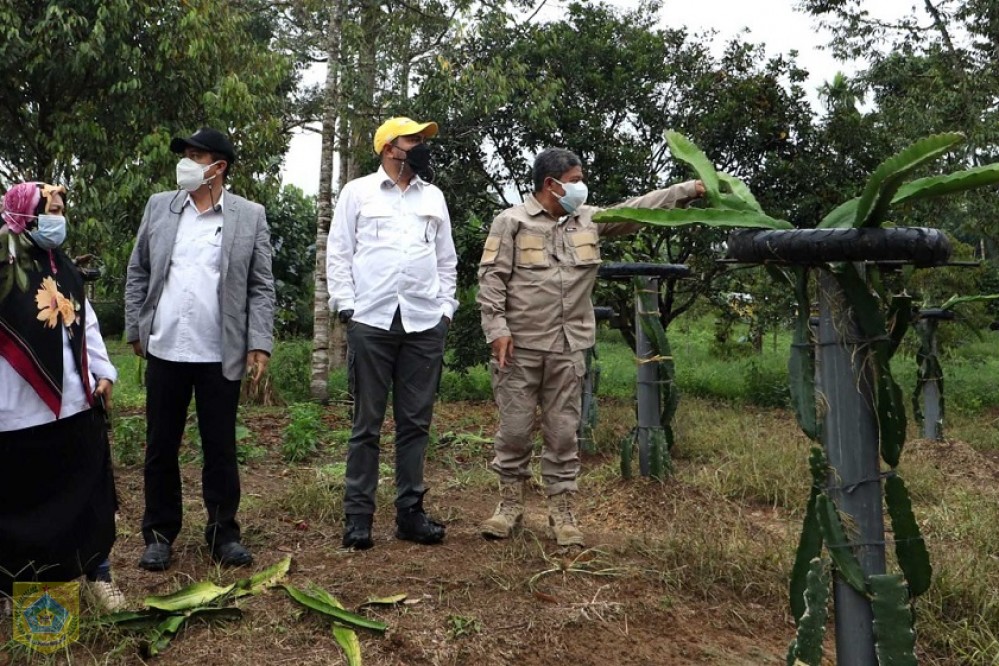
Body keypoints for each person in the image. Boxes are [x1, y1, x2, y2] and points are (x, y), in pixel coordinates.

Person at [477, 148, 705, 546]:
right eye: (575, 179)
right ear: (552, 184)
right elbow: (491, 278)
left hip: (568, 347)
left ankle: (561, 513)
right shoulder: (510, 222)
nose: (581, 187)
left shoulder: (589, 220)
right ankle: (509, 506)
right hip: (520, 348)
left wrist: (688, 190)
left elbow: (638, 210)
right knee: (514, 431)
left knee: (564, 432)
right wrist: (496, 329)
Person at [125, 127, 275, 571]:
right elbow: (138, 270)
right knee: (160, 446)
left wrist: (259, 343)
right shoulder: (160, 207)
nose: (186, 163)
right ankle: (158, 534)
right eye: (185, 155)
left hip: (219, 351)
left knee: (220, 447)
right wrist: (137, 327)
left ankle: (224, 533)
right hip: (167, 347)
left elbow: (260, 287)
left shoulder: (249, 216)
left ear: (219, 167)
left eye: (195, 155)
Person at [326, 116, 457, 549]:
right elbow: (339, 253)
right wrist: (348, 308)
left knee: (415, 424)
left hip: (423, 324)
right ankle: (358, 518)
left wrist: (445, 312)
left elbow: (446, 260)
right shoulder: (357, 192)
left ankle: (410, 514)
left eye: (423, 140)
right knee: (366, 425)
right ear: (389, 148)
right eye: (413, 140)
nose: (421, 147)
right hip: (372, 322)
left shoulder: (434, 197)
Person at [0, 181, 126, 612]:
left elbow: (85, 322)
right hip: (15, 413)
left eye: (60, 209)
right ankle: (20, 595)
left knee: (87, 500)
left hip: (75, 406)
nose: (57, 218)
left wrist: (103, 372)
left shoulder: (64, 267)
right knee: (25, 511)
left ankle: (97, 575)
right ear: (24, 213)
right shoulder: (3, 266)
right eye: (48, 209)